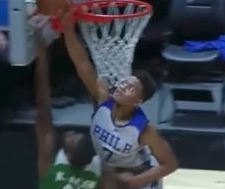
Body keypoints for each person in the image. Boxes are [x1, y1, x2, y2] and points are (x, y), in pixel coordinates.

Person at [60, 11, 178, 188]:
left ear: (138, 101)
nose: (123, 86)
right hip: (111, 175)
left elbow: (170, 164)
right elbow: (81, 63)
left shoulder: (143, 129)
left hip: (140, 178)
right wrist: (68, 30)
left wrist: (135, 181)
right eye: (125, 82)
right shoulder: (103, 99)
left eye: (131, 88)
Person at [34, 26, 101, 189]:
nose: (72, 133)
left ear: (69, 156)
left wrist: (41, 55)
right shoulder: (99, 174)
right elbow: (101, 111)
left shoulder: (52, 175)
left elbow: (44, 110)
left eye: (72, 139)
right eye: (79, 136)